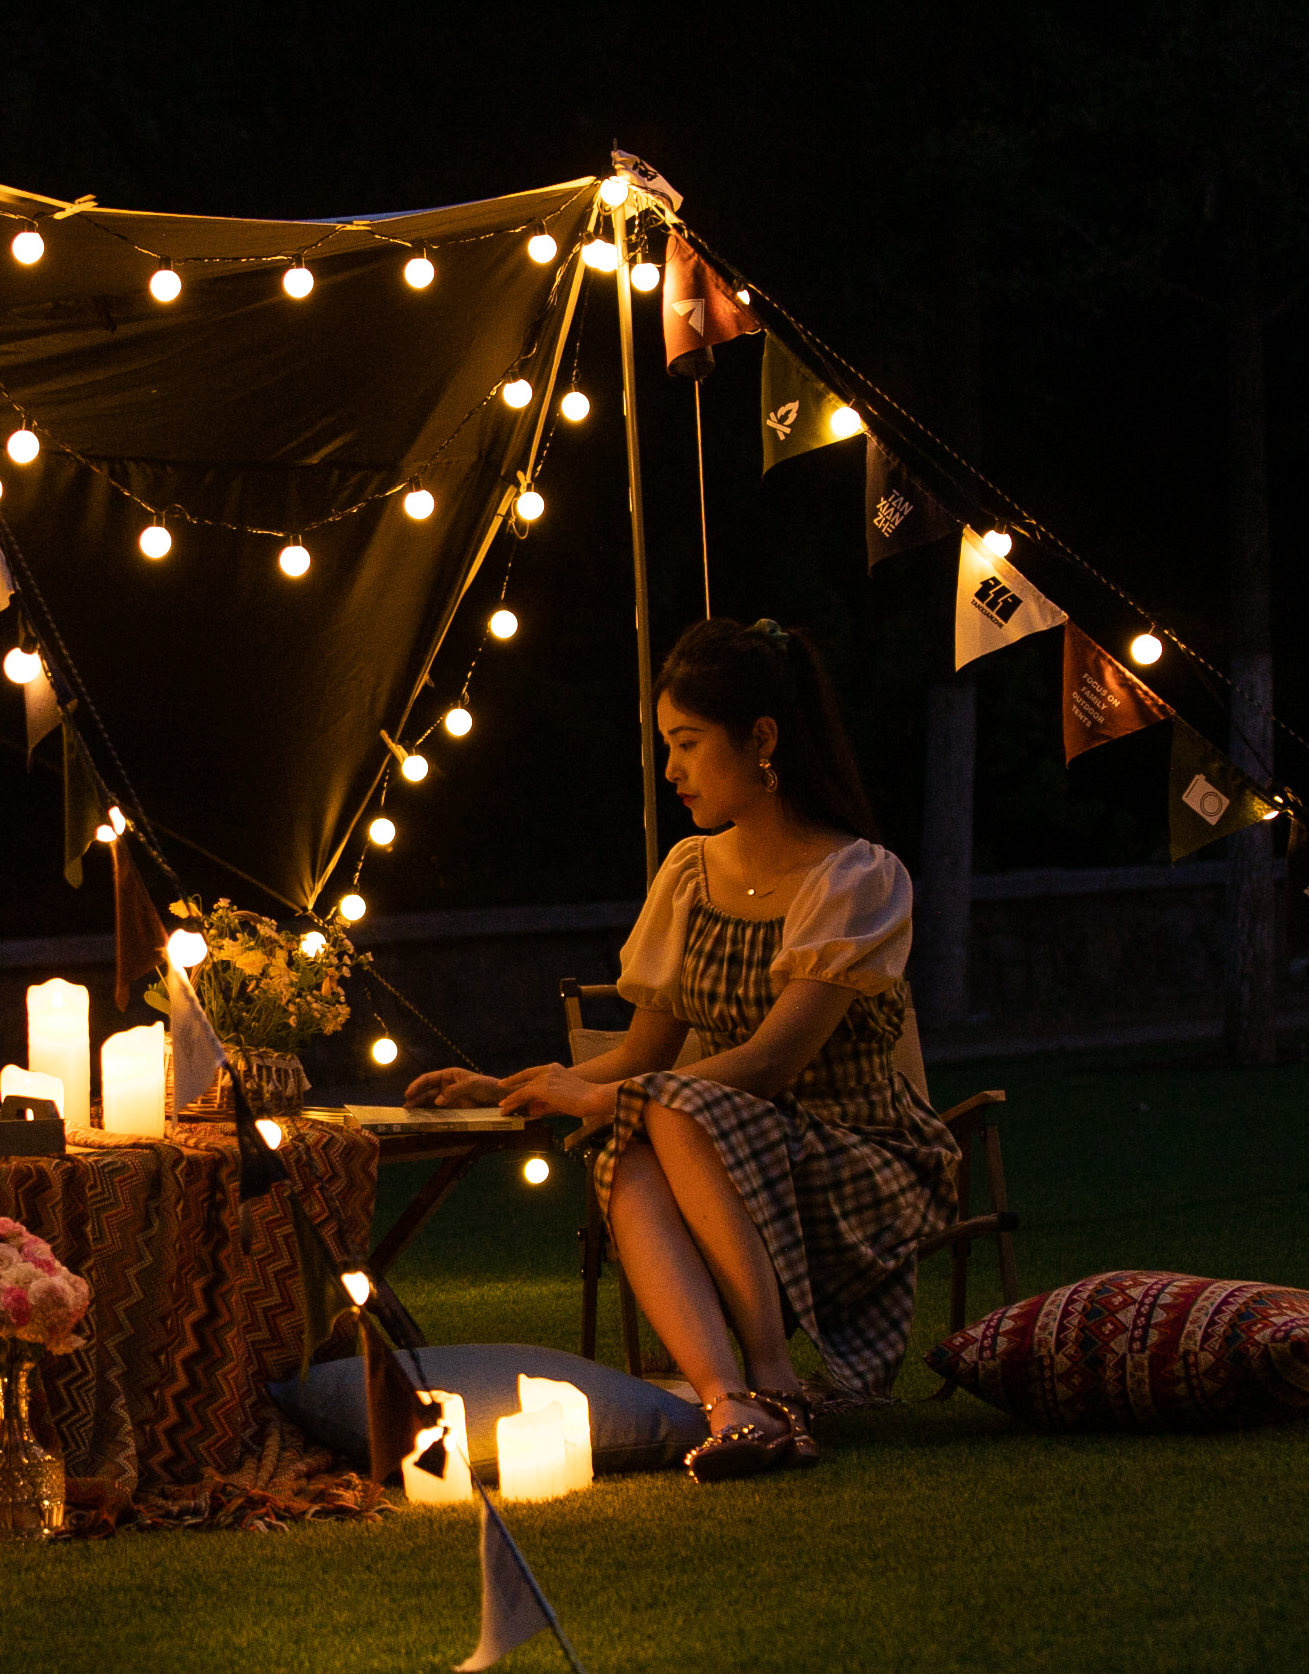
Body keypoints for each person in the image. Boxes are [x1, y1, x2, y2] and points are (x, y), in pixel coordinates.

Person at [405, 615, 959, 1480]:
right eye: (668, 746)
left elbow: (773, 1063)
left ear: (762, 740)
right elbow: (640, 1054)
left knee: (661, 1107)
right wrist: (522, 1082)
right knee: (631, 1144)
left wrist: (616, 1100)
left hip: (854, 1154)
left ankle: (774, 1383)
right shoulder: (691, 874)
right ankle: (728, 1400)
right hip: (714, 1144)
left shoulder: (857, 878)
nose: (673, 771)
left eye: (689, 744)